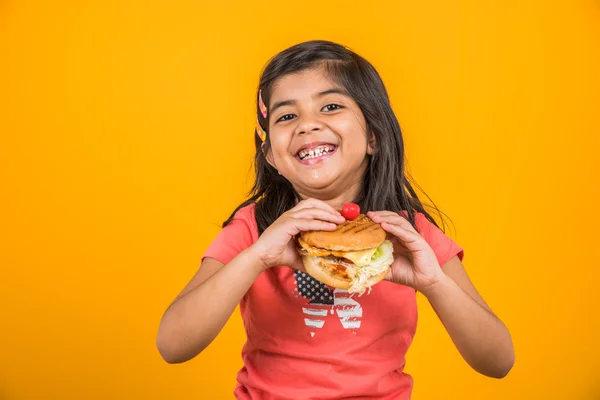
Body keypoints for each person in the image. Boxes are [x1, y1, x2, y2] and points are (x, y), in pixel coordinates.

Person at [156, 40, 515, 400]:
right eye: (286, 116)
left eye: (330, 106)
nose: (308, 125)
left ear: (373, 135)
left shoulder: (409, 234)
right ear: (270, 156)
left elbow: (498, 360)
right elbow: (173, 345)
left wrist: (433, 282)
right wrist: (257, 257)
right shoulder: (254, 228)